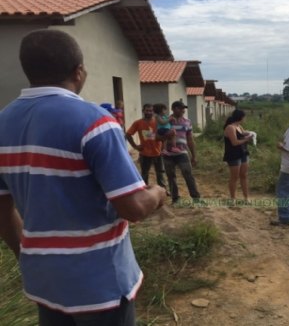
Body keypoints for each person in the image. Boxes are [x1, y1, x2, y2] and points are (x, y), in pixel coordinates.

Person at [0, 29, 166, 326]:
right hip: (99, 282)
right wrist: (157, 192)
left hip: (44, 281)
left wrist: (27, 254)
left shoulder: (3, 124)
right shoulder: (95, 122)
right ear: (78, 72)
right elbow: (134, 207)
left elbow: (1, 211)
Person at [160, 101, 201, 204]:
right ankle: (175, 198)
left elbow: (190, 139)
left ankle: (196, 198)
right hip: (168, 153)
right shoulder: (165, 121)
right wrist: (166, 135)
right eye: (181, 108)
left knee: (188, 174)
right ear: (174, 109)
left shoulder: (187, 122)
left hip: (182, 152)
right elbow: (157, 137)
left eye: (184, 108)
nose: (183, 110)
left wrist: (194, 156)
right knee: (171, 176)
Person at [126, 104, 168, 194]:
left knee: (160, 172)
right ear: (143, 111)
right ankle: (143, 191)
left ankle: (163, 190)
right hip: (145, 153)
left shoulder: (158, 122)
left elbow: (164, 136)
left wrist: (163, 147)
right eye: (147, 110)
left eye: (151, 110)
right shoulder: (138, 123)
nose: (149, 112)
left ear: (153, 112)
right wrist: (135, 146)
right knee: (144, 173)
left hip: (158, 152)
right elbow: (128, 134)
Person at [223, 109, 253, 201]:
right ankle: (233, 198)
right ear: (241, 117)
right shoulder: (230, 127)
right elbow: (235, 142)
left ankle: (246, 197)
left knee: (244, 175)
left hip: (243, 153)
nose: (245, 119)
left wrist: (250, 134)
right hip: (233, 154)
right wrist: (246, 140)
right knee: (234, 177)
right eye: (244, 117)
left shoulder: (239, 126)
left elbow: (243, 134)